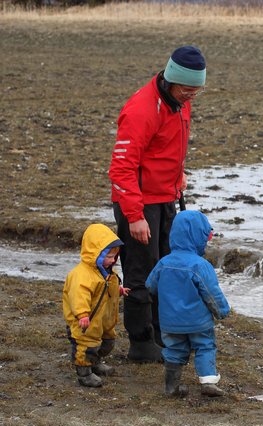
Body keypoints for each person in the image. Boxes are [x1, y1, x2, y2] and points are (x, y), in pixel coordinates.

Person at [108, 45, 206, 363]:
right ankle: (140, 343)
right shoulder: (141, 110)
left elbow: (168, 145)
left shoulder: (180, 101)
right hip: (138, 203)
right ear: (171, 79)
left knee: (168, 267)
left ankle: (164, 334)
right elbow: (121, 167)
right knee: (141, 270)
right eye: (187, 89)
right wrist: (134, 216)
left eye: (196, 90)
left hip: (166, 196)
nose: (191, 95)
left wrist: (178, 175)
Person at [146, 210, 232, 397]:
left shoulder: (164, 263)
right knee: (205, 346)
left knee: (174, 350)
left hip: (170, 322)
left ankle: (171, 387)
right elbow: (211, 293)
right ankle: (208, 382)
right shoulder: (200, 265)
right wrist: (222, 311)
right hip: (198, 322)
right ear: (197, 238)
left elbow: (150, 286)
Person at [63, 224, 129, 387]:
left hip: (103, 319)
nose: (112, 260)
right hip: (87, 321)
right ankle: (84, 373)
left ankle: (95, 363)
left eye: (115, 256)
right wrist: (82, 315)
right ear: (95, 253)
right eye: (108, 256)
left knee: (107, 343)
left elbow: (105, 288)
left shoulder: (107, 272)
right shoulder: (81, 275)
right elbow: (78, 297)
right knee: (87, 346)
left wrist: (118, 290)